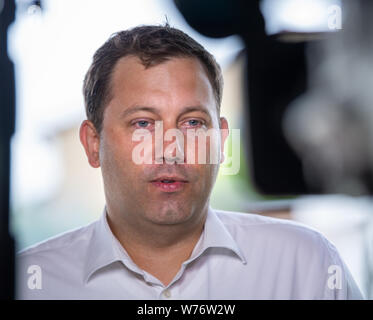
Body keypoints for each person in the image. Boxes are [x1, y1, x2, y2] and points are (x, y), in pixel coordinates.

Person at [17, 24, 363, 300]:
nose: (172, 148)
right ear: (93, 144)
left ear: (221, 141)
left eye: (193, 123)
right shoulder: (27, 283)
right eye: (142, 124)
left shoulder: (307, 267)